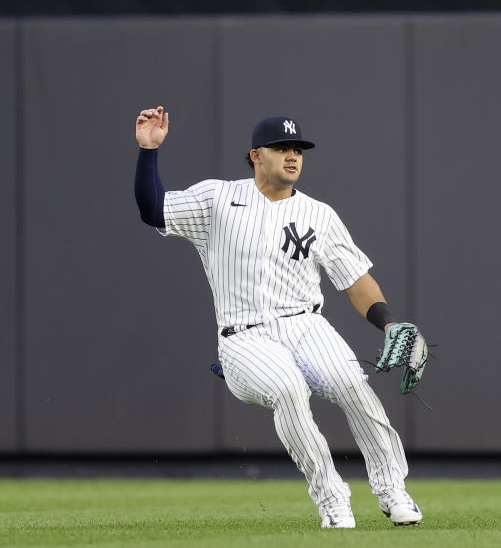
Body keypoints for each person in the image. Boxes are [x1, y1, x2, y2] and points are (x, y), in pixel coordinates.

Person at [134, 107, 422, 530]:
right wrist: (148, 152)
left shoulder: (319, 215)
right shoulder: (218, 199)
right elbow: (153, 209)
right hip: (243, 335)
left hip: (306, 325)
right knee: (288, 389)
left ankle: (392, 488)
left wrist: (389, 322)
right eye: (281, 148)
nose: (292, 156)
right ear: (255, 155)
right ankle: (332, 498)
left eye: (298, 150)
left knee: (352, 386)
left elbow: (356, 281)